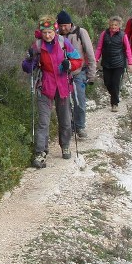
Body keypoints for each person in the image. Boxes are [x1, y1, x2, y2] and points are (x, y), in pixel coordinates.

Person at [21, 15, 78, 167]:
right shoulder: (37, 46)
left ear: (55, 31)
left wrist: (69, 65)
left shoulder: (63, 42)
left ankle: (65, 146)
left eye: (50, 32)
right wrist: (30, 60)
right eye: (44, 32)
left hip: (63, 86)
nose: (47, 35)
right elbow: (27, 68)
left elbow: (77, 59)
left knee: (65, 119)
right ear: (41, 32)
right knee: (43, 122)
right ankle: (40, 152)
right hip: (45, 87)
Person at [57, 10, 96, 138]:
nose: (63, 28)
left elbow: (90, 53)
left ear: (70, 23)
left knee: (79, 99)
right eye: (61, 25)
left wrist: (91, 74)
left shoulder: (80, 32)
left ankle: (80, 126)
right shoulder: (57, 36)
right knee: (65, 103)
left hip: (78, 72)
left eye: (65, 25)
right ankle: (69, 126)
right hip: (62, 75)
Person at [94, 16, 132, 112]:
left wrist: (130, 62)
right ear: (109, 25)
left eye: (115, 25)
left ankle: (114, 104)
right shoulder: (104, 34)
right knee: (107, 82)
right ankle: (115, 96)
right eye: (111, 24)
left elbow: (128, 50)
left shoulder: (123, 35)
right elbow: (99, 47)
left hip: (119, 63)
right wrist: (95, 60)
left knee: (115, 83)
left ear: (119, 25)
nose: (113, 27)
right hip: (107, 62)